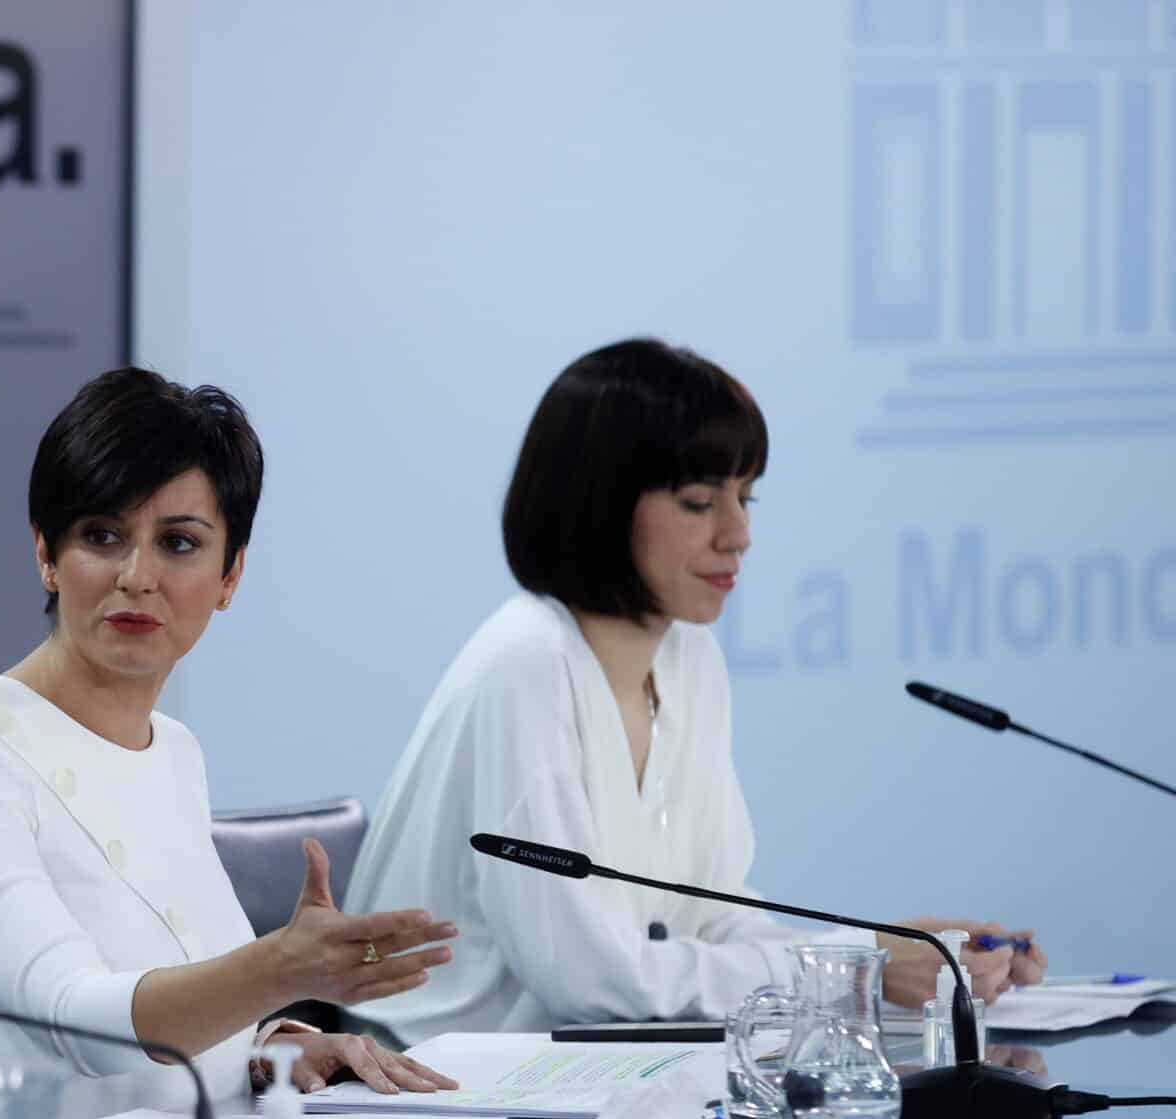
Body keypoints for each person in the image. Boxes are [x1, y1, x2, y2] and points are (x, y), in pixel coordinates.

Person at [344, 340, 1047, 1043]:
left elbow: (711, 914)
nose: (738, 534)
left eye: (745, 497)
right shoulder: (527, 663)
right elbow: (588, 979)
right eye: (699, 501)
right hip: (434, 1090)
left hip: (594, 1071)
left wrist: (885, 955)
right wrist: (856, 967)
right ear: (600, 502)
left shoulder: (690, 656)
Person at [0, 368, 461, 1119]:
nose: (137, 577)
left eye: (179, 543)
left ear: (230, 573)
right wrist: (281, 968)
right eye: (102, 536)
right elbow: (80, 1024)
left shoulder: (172, 750)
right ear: (46, 552)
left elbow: (181, 1003)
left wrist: (279, 1042)